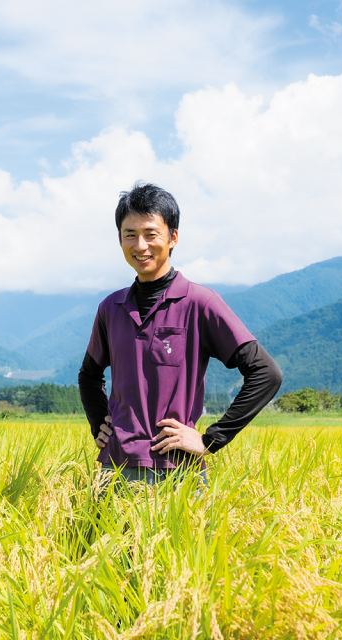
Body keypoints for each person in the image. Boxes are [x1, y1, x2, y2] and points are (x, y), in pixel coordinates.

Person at [78, 182, 283, 488]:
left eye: (151, 234)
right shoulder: (111, 308)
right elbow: (89, 375)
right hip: (115, 471)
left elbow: (266, 373)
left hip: (176, 472)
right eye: (130, 235)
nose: (140, 246)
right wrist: (100, 425)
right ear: (119, 239)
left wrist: (211, 439)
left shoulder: (199, 303)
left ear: (172, 237)